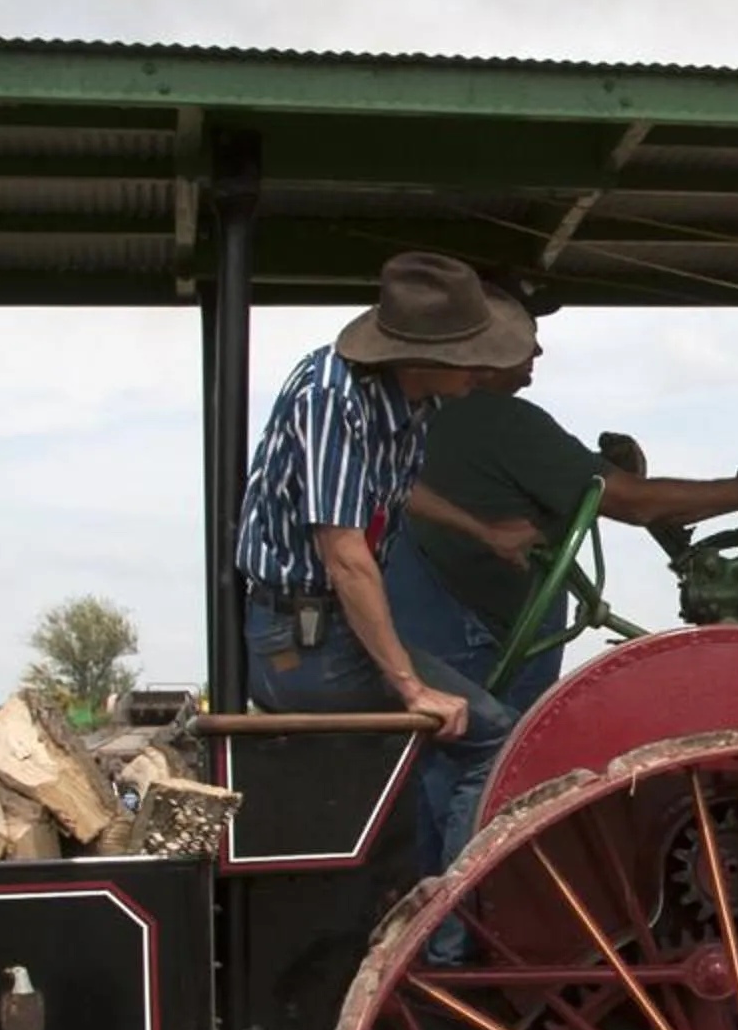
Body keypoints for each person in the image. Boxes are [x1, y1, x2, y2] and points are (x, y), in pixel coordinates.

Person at [378, 325, 738, 865]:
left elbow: (583, 488)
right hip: (478, 643)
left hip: (451, 632)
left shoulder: (438, 420)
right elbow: (635, 503)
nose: (537, 350)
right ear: (485, 349)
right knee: (489, 767)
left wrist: (607, 472)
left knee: (449, 778)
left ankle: (446, 916)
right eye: (525, 336)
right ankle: (458, 936)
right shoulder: (497, 419)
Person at [231, 250, 551, 898]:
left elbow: (387, 494)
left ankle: (416, 905)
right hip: (301, 644)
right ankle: (450, 945)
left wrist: (483, 531)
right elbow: (346, 552)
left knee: (468, 727)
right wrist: (410, 686)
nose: (482, 368)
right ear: (423, 355)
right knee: (491, 739)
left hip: (327, 634)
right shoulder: (333, 399)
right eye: (471, 354)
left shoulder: (409, 403)